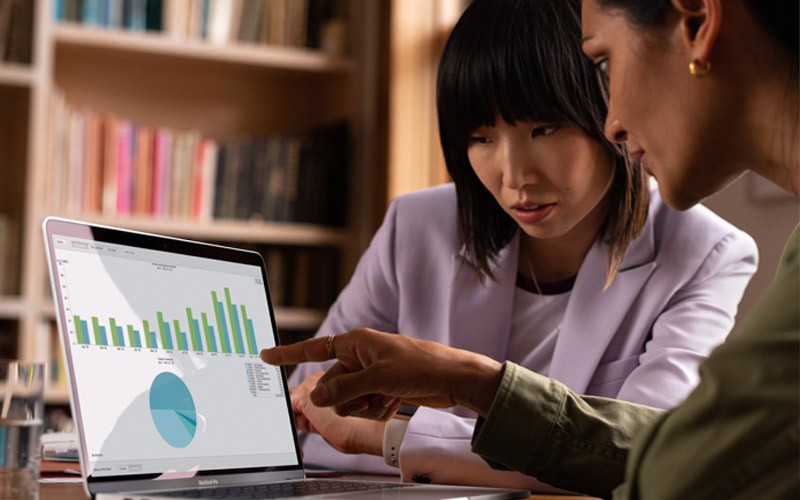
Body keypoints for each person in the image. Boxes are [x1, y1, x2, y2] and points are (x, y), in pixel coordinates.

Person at [263, 0, 799, 498]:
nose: (515, 177)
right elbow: (307, 422)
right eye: (481, 137)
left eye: (545, 127)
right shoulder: (416, 224)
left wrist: (395, 433)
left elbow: (648, 461)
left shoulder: (707, 252)